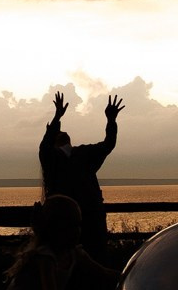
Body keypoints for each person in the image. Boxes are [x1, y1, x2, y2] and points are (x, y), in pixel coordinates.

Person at [39, 91, 124, 254]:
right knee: (95, 255)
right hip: (91, 218)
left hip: (63, 222)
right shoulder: (86, 154)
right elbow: (109, 144)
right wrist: (111, 120)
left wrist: (57, 117)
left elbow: (44, 146)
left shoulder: (51, 159)